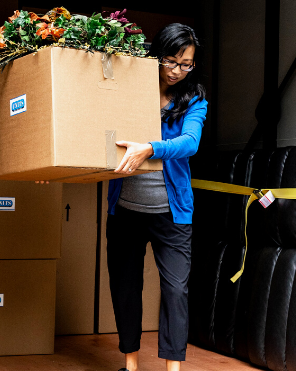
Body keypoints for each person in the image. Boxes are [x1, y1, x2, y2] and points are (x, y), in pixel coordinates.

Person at [106, 23, 208, 371]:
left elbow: (190, 143)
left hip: (171, 212)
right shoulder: (131, 90)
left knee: (176, 291)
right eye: (172, 61)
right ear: (157, 55)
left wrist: (151, 147)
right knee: (126, 287)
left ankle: (173, 369)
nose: (178, 71)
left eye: (187, 64)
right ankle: (131, 365)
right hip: (126, 209)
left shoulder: (194, 100)